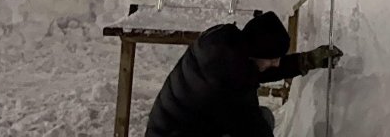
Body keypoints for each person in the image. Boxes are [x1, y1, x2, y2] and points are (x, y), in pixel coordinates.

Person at [145, 11, 343, 137]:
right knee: (263, 120)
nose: (276, 64)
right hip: (175, 132)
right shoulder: (230, 83)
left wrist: (306, 61)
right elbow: (253, 127)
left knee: (264, 118)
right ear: (257, 53)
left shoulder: (226, 49)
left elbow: (254, 71)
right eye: (273, 58)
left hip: (171, 128)